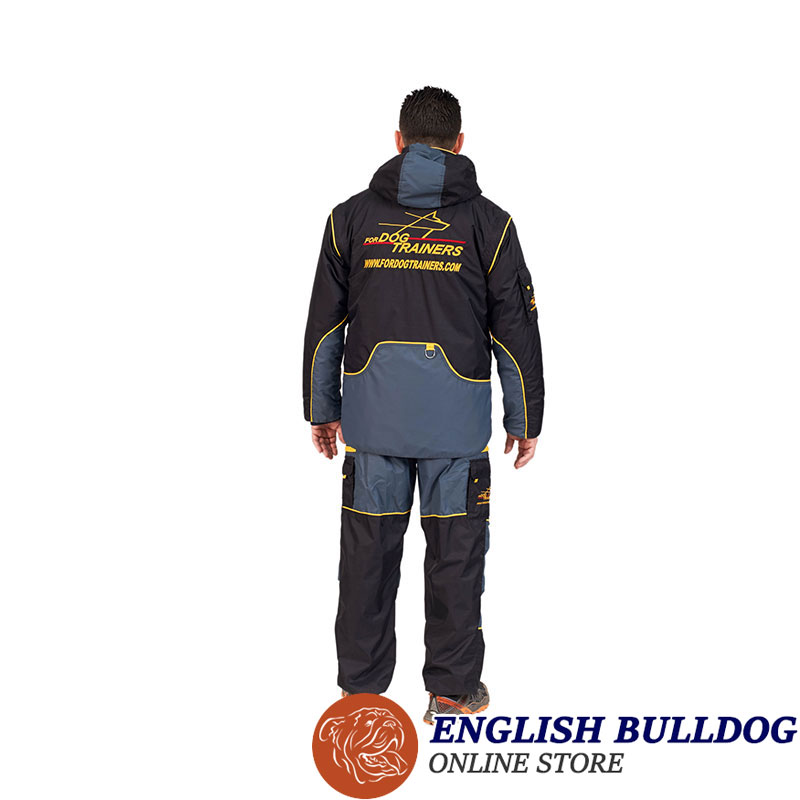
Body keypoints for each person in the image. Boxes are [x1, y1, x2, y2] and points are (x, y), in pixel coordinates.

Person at [302, 86, 544, 724]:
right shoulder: (490, 225)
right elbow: (516, 329)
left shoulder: (349, 220)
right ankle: (451, 693)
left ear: (398, 141)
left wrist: (321, 409)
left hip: (374, 427)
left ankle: (360, 696)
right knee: (456, 562)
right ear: (459, 144)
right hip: (455, 434)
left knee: (366, 561)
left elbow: (325, 326)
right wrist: (525, 419)